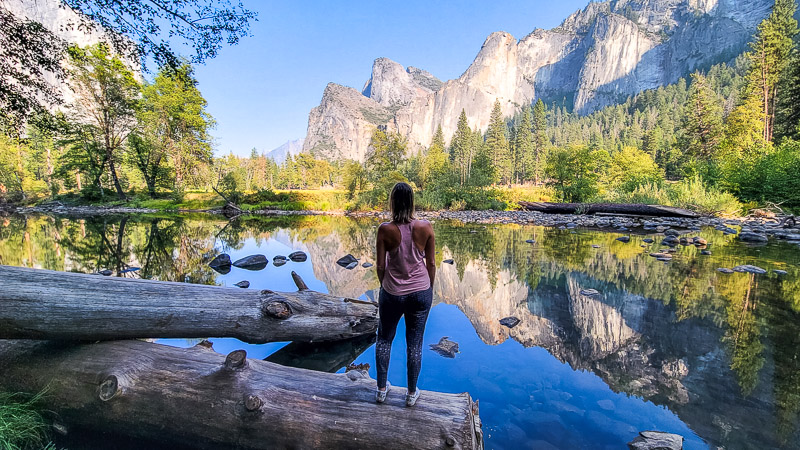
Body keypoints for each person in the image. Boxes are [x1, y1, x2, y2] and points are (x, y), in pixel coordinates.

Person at [374, 182, 435, 407]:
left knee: (384, 339)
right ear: (411, 202)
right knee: (415, 343)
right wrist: (429, 288)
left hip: (392, 292)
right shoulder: (426, 227)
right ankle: (410, 394)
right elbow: (432, 264)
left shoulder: (384, 230)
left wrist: (386, 286)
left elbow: (380, 266)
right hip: (420, 291)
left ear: (392, 202)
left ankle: (381, 390)